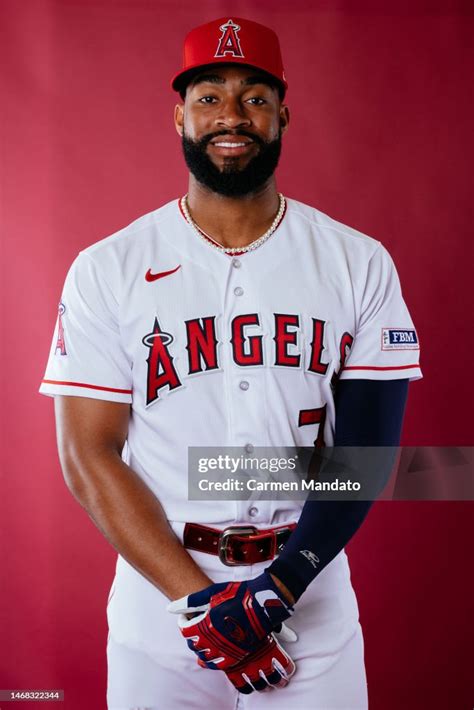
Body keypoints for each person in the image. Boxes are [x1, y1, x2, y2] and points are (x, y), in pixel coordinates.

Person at [40, 16, 422, 710]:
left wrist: (281, 588)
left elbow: (366, 454)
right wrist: (198, 604)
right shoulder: (108, 268)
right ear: (179, 116)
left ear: (283, 115)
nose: (232, 115)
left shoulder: (357, 263)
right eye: (209, 96)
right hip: (160, 598)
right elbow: (87, 454)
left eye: (254, 96)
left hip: (311, 590)